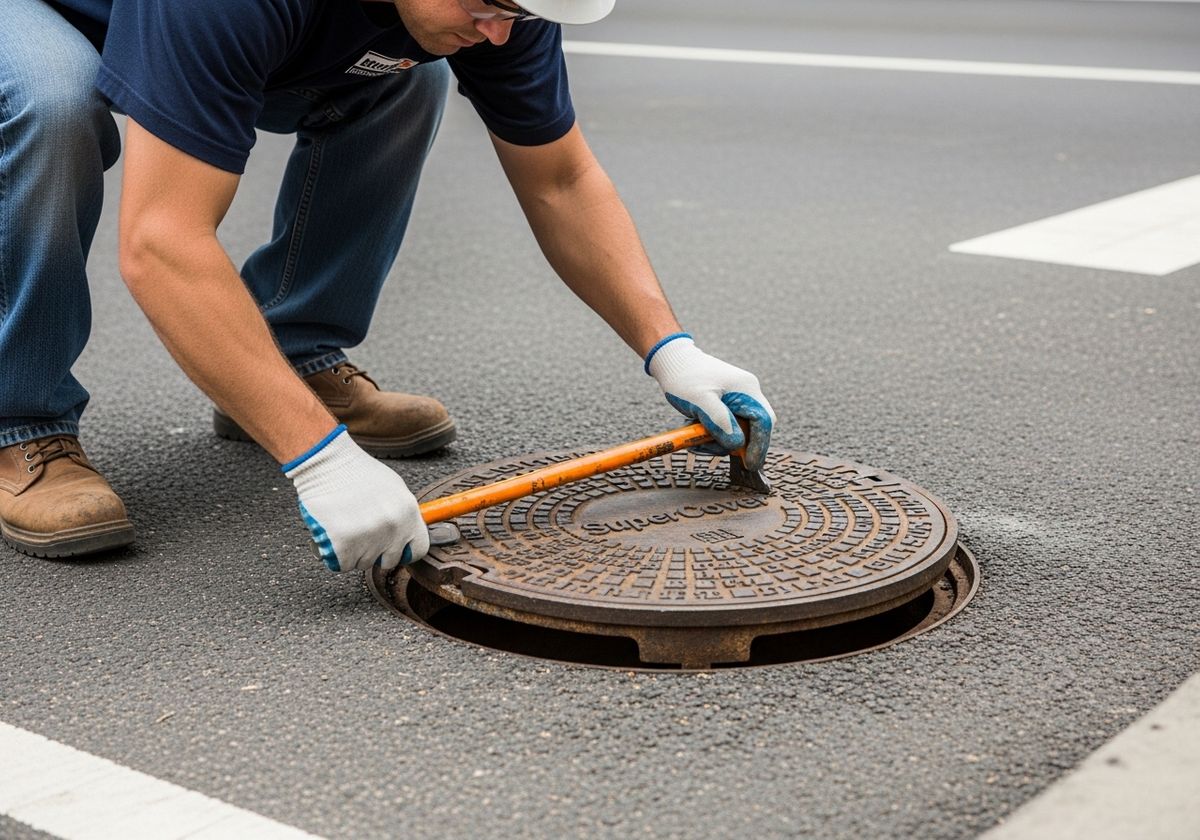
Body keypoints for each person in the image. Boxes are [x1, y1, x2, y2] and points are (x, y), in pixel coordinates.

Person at [0, 0, 775, 572]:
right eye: (493, 7)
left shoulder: (506, 11)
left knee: (406, 80)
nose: (502, 31)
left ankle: (293, 353)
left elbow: (562, 181)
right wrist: (319, 460)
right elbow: (162, 242)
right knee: (53, 106)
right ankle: (20, 425)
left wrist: (671, 349)